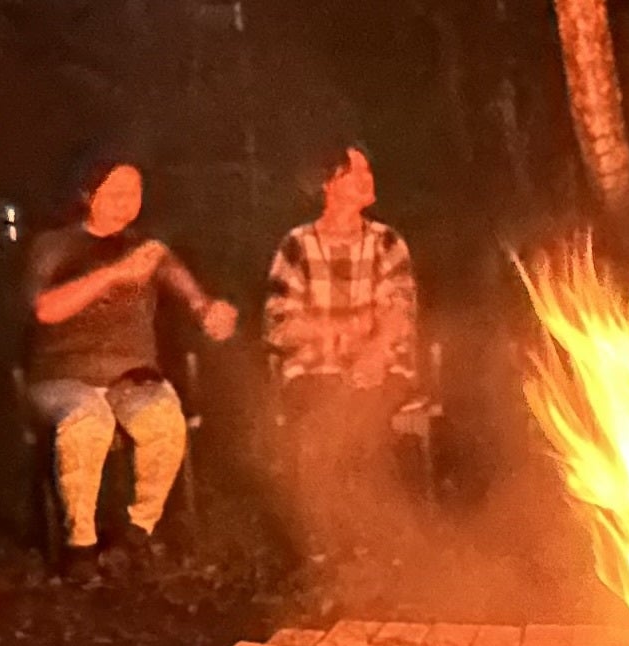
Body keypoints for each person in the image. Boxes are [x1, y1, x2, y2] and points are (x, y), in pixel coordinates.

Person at [25, 154, 238, 576]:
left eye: (134, 192)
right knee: (88, 420)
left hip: (131, 376)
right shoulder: (54, 246)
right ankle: (81, 545)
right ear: (88, 195)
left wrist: (209, 312)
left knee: (165, 421)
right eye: (115, 192)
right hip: (64, 376)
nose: (126, 201)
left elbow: (192, 295)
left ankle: (138, 532)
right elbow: (45, 309)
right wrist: (113, 275)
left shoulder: (148, 250)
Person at [261, 144, 423, 530]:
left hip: (381, 367)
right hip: (314, 370)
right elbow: (279, 323)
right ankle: (328, 532)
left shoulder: (386, 242)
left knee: (365, 417)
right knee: (325, 417)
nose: (368, 179)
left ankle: (368, 530)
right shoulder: (297, 246)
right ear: (328, 184)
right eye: (355, 173)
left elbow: (400, 311)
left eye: (368, 170)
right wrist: (338, 334)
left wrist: (375, 354)